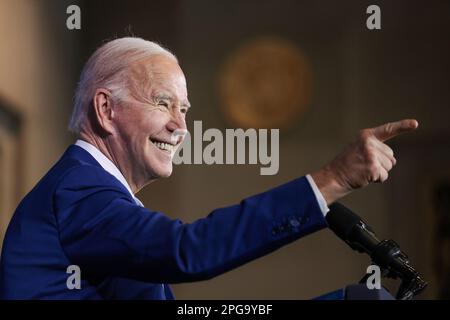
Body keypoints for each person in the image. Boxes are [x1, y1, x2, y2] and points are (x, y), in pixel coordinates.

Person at [0, 37, 418, 299]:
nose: (181, 126)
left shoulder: (97, 194)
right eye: (162, 102)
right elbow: (189, 251)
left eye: (183, 110)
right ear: (106, 109)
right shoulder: (78, 191)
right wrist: (333, 180)